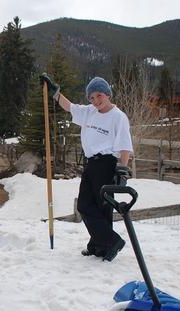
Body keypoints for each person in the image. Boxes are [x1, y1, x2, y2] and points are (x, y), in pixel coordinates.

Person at [40, 73, 133, 261]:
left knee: (102, 207)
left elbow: (124, 145)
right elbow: (70, 107)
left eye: (99, 95)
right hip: (91, 163)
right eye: (91, 97)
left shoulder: (118, 117)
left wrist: (122, 170)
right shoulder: (89, 112)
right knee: (84, 205)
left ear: (108, 94)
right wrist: (54, 92)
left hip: (107, 164)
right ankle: (106, 242)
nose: (95, 100)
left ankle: (103, 245)